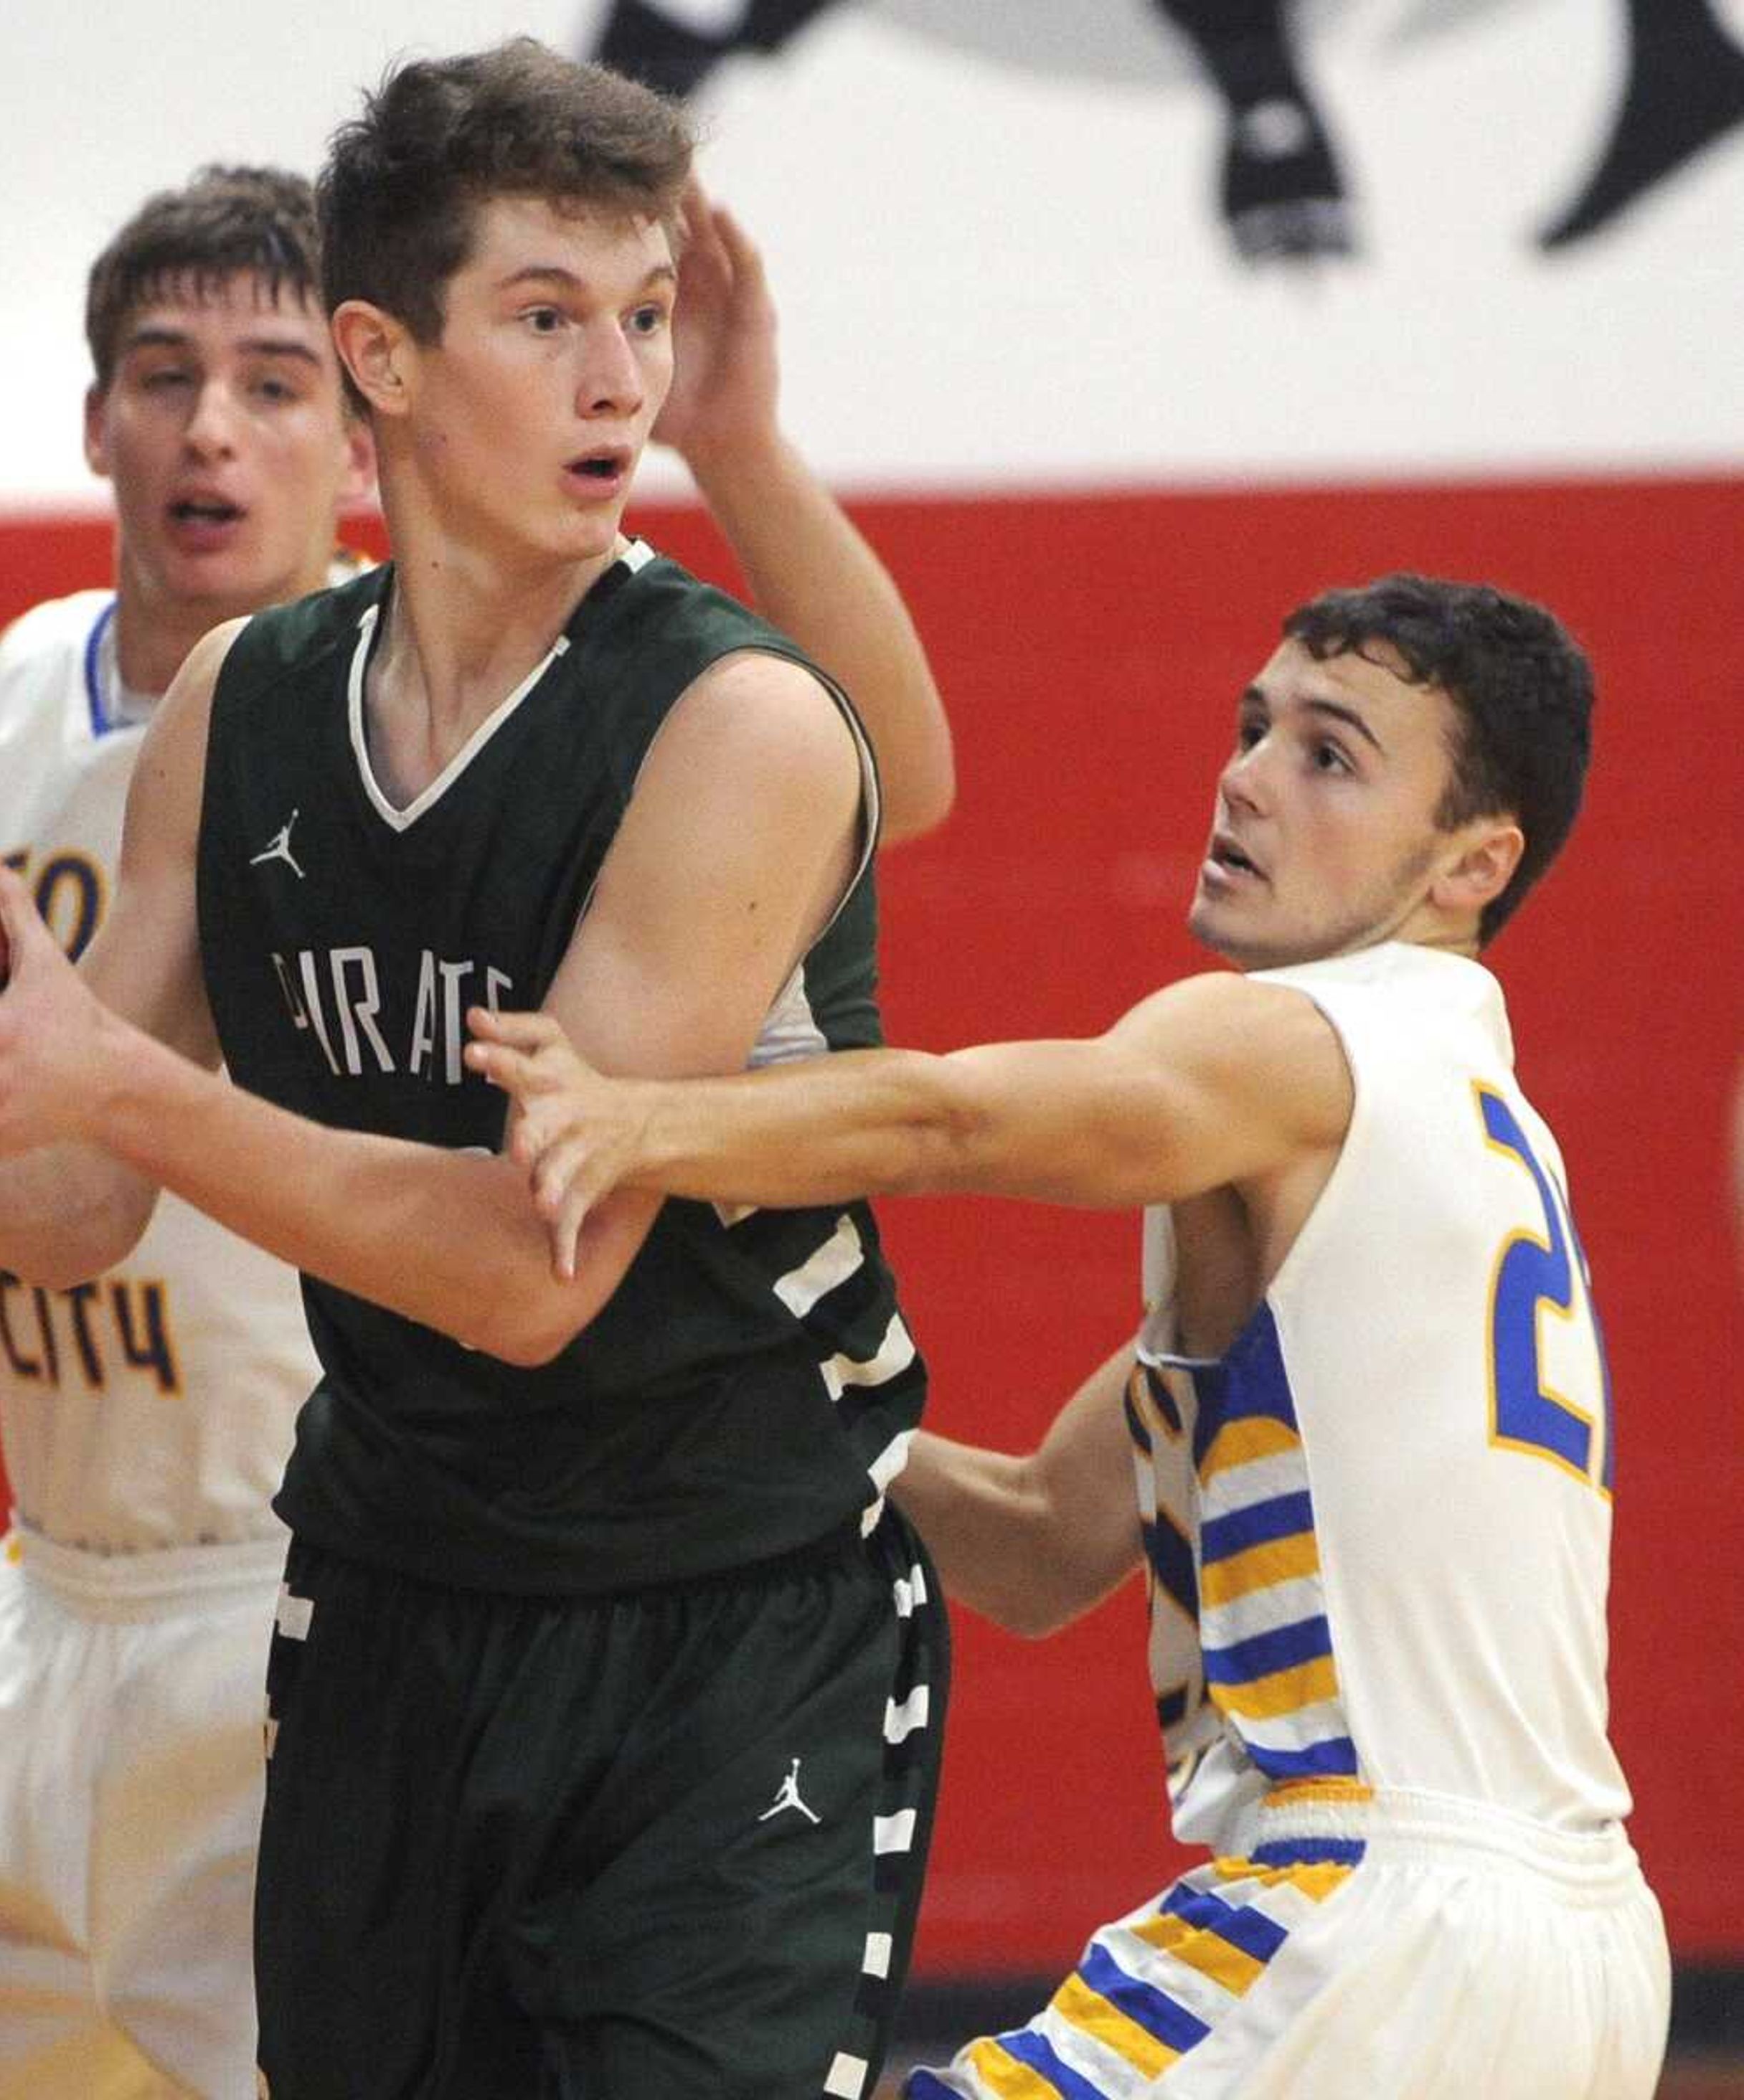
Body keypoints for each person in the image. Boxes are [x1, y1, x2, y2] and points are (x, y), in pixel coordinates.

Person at [0, 146, 953, 2097]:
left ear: (358, 416)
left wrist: (743, 447)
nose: (212, 432)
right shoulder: (48, 686)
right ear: (95, 419)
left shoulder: (468, 691)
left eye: (267, 384)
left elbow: (885, 771)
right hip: (38, 1591)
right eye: (165, 377)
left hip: (290, 1571)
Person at [466, 574, 1672, 2096]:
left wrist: (634, 1119)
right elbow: (1042, 1541)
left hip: (1376, 1915)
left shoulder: (1307, 1040)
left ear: (1471, 864)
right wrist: (711, 1407)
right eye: (1255, 726)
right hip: (1579, 1958)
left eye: (1330, 756)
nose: (1245, 777)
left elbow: (949, 1115)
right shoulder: (1476, 1135)